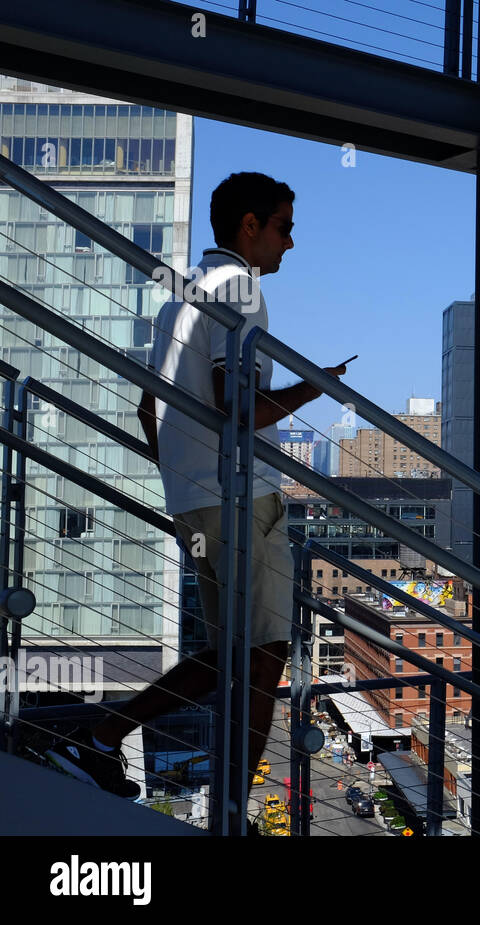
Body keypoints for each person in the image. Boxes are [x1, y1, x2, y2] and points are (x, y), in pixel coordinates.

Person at [45, 172, 348, 801]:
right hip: (239, 497)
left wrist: (183, 482)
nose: (290, 243)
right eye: (284, 227)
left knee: (236, 654)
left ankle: (101, 739)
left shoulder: (179, 296)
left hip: (199, 497)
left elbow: (145, 409)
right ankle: (233, 807)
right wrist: (317, 384)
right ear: (250, 226)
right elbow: (240, 405)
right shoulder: (239, 287)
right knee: (263, 658)